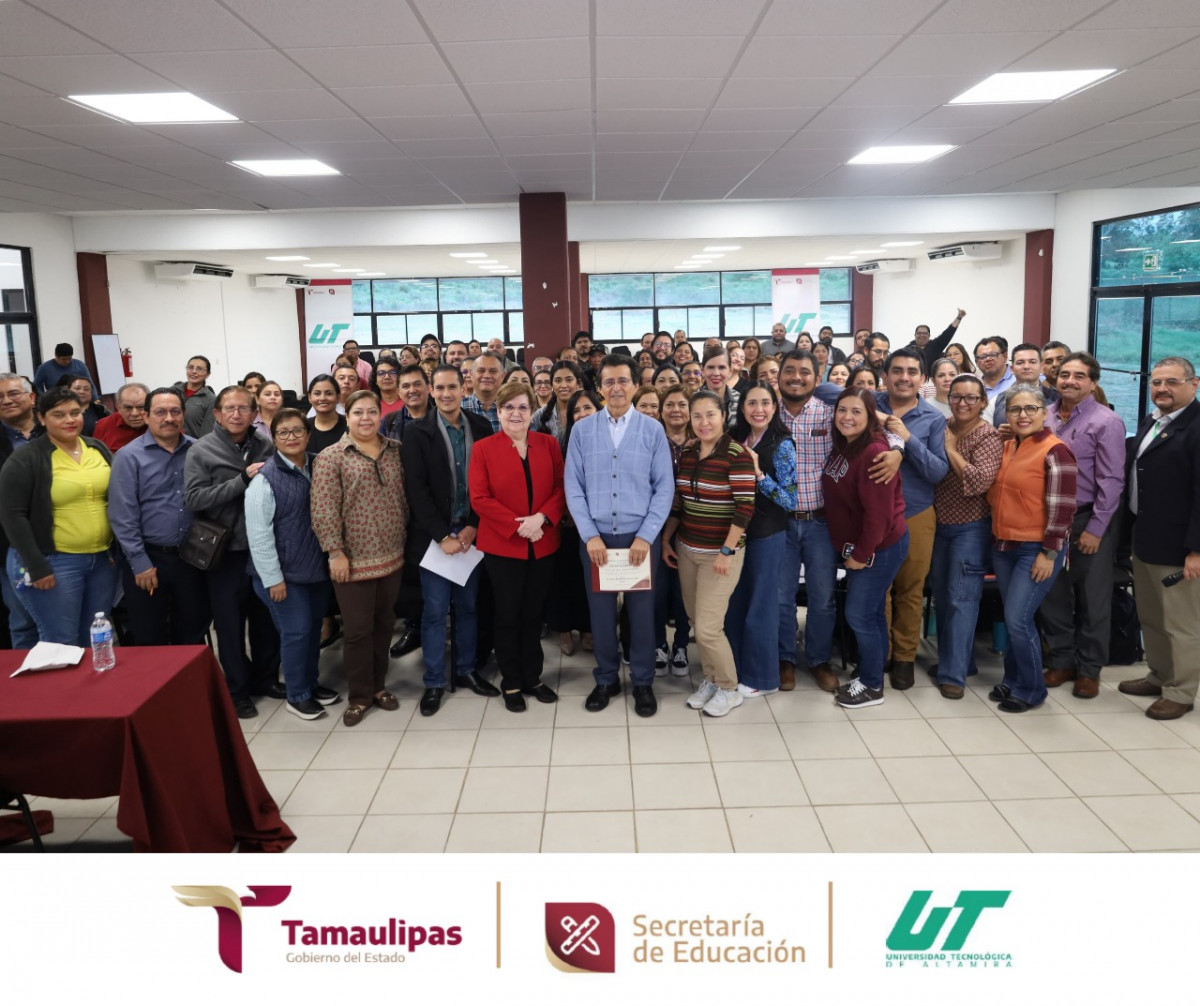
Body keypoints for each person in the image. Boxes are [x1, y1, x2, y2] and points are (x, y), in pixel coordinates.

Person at [565, 354, 675, 718]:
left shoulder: (652, 430)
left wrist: (646, 535)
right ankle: (607, 678)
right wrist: (589, 535)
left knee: (642, 614)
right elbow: (573, 488)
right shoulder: (582, 431)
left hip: (639, 539)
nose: (616, 388)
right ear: (599, 388)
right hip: (596, 540)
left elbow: (664, 488)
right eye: (609, 381)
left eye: (623, 380)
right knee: (600, 613)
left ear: (635, 385)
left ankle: (642, 681)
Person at [402, 364, 499, 716]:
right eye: (439, 388)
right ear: (431, 390)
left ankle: (466, 669)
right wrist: (441, 535)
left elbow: (488, 482)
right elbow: (416, 490)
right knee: (434, 611)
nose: (446, 394)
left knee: (469, 606)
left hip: (471, 534)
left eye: (452, 387)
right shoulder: (416, 432)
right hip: (435, 539)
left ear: (463, 388)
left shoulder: (481, 426)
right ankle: (433, 681)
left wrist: (474, 525)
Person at [311, 389, 408, 727]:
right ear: (347, 417)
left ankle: (379, 686)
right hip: (351, 560)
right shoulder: (332, 456)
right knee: (356, 631)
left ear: (380, 415)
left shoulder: (395, 450)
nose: (365, 418)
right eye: (358, 412)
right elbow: (323, 509)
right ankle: (360, 696)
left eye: (371, 412)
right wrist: (335, 552)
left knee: (384, 626)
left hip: (393, 555)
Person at [184, 384, 281, 718]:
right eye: (230, 408)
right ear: (217, 414)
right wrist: (240, 480)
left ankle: (266, 679)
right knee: (230, 625)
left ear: (254, 414)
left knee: (265, 619)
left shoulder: (265, 445)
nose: (237, 414)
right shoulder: (202, 450)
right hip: (225, 553)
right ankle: (237, 691)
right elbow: (194, 498)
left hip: (262, 548)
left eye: (244, 408)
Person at [468, 382, 565, 712]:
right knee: (507, 614)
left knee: (533, 614)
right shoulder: (483, 449)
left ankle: (532, 677)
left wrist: (541, 519)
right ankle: (511, 680)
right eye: (508, 407)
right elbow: (480, 498)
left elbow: (561, 487)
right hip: (503, 546)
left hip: (543, 541)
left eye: (523, 407)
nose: (516, 413)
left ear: (532, 412)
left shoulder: (548, 444)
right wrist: (520, 526)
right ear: (498, 412)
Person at [663, 390, 757, 716]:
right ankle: (711, 679)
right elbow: (680, 503)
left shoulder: (736, 454)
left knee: (708, 627)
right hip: (687, 549)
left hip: (720, 554)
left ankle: (729, 688)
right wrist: (667, 540)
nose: (704, 422)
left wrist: (726, 551)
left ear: (723, 416)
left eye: (710, 415)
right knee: (694, 620)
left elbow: (745, 508)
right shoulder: (689, 453)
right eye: (697, 416)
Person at [0, 386, 117, 646]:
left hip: (100, 560)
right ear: (42, 418)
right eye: (59, 414)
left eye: (75, 412)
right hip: (54, 562)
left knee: (94, 640)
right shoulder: (27, 458)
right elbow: (12, 515)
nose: (69, 420)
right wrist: (36, 566)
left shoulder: (96, 447)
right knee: (60, 643)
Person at [1040, 351, 1127, 700]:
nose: (1070, 381)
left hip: (1087, 518)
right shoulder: (1044, 415)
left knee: (1093, 597)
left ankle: (1090, 669)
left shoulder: (1106, 421)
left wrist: (1096, 528)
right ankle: (1062, 661)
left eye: (1079, 376)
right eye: (1064, 375)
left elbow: (1112, 480)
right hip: (1048, 520)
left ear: (1093, 383)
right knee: (1052, 594)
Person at [245, 409, 341, 720]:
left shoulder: (319, 465)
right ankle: (297, 695)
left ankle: (310, 684)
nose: (291, 437)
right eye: (283, 432)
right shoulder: (264, 479)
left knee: (312, 631)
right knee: (296, 632)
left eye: (298, 430)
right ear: (274, 438)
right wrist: (273, 578)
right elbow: (258, 535)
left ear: (308, 434)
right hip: (282, 576)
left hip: (314, 569)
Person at [986, 384, 1076, 713]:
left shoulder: (1056, 451)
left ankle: (1032, 689)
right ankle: (1013, 679)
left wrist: (1049, 554)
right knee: (1016, 620)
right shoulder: (1009, 445)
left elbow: (1063, 509)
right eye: (1015, 409)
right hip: (1004, 546)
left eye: (1030, 409)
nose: (1022, 415)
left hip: (1036, 549)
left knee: (1018, 618)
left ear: (1044, 412)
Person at [1120, 356, 1200, 720]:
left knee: (1180, 624)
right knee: (1151, 616)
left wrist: (1196, 550)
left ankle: (1181, 692)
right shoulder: (1153, 421)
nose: (1162, 389)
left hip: (1179, 547)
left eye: (1171, 382)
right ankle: (1159, 675)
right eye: (1156, 382)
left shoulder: (1195, 427)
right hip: (1146, 538)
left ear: (1193, 384)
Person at [822, 388, 909, 709]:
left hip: (879, 548)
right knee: (870, 614)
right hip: (862, 546)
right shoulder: (846, 444)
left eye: (856, 411)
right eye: (842, 410)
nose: (847, 417)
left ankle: (872, 685)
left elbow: (879, 516)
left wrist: (861, 554)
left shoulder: (874, 452)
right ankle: (873, 674)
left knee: (859, 614)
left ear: (870, 416)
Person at [108, 386, 210, 647]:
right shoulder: (128, 457)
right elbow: (122, 515)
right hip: (149, 559)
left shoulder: (198, 450)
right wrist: (140, 562)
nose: (169, 418)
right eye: (160, 412)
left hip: (192, 559)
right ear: (146, 416)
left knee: (192, 632)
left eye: (175, 411)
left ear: (183, 414)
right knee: (150, 637)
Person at [930, 374, 1003, 699]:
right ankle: (961, 662)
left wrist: (950, 450)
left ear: (983, 402)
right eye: (957, 397)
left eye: (971, 398)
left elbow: (978, 482)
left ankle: (953, 676)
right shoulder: (943, 425)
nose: (962, 403)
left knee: (961, 600)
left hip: (971, 529)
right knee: (943, 600)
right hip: (940, 526)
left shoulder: (988, 436)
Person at [725, 382, 798, 697]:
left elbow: (790, 500)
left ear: (774, 407)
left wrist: (758, 474)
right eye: (752, 403)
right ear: (742, 408)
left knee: (761, 607)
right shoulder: (734, 438)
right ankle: (733, 670)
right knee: (735, 604)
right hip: (736, 533)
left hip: (767, 535)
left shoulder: (782, 444)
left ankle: (763, 678)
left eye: (765, 403)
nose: (758, 409)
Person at [547, 389, 603, 657]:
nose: (581, 415)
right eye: (576, 411)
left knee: (588, 580)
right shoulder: (564, 443)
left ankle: (588, 628)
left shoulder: (611, 441)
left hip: (601, 524)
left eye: (587, 408)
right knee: (564, 575)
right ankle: (564, 629)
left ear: (599, 410)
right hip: (569, 522)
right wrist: (569, 511)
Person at [653, 385, 693, 675]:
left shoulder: (700, 441)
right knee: (656, 590)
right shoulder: (652, 439)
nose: (676, 410)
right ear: (661, 410)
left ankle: (681, 644)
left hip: (691, 526)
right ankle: (658, 644)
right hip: (654, 525)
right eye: (669, 405)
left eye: (682, 404)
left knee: (682, 591)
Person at [0, 374, 42, 647]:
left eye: (13, 393)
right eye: (0, 397)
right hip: (9, 547)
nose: (6, 401)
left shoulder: (57, 431)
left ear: (31, 397)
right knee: (24, 621)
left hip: (62, 544)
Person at [993, 343, 1058, 425]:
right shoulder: (996, 401)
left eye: (1032, 362)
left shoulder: (1057, 400)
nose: (1026, 366)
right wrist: (999, 432)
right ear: (1012, 369)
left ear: (1041, 367)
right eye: (1020, 363)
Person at [532, 360, 582, 446]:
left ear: (578, 383)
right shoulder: (540, 415)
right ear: (552, 384)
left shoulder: (587, 413)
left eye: (569, 380)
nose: (563, 385)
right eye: (558, 381)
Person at [92, 381, 150, 451]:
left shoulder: (159, 424)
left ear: (150, 406)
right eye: (128, 407)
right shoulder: (103, 426)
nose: (134, 414)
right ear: (119, 408)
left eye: (141, 407)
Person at [381, 364, 429, 441]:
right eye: (406, 386)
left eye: (417, 384)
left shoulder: (442, 418)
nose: (412, 390)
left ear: (428, 387)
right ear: (398, 392)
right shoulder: (388, 422)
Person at [173, 355, 216, 438]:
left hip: (193, 444)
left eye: (199, 369)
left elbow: (207, 434)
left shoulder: (210, 399)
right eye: (190, 367)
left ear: (207, 374)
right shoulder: (172, 391)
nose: (194, 371)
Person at [462, 351, 504, 432]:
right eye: (481, 371)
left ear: (502, 376)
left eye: (493, 371)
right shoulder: (460, 408)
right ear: (471, 375)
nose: (487, 376)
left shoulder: (512, 409)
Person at [305, 373, 348, 453]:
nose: (323, 398)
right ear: (310, 397)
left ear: (338, 397)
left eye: (329, 393)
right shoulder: (303, 427)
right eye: (317, 394)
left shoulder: (350, 426)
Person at [974, 336, 1015, 401]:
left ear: (1005, 356)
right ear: (976, 362)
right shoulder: (974, 386)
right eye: (983, 357)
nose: (988, 359)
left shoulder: (1018, 379)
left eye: (993, 355)